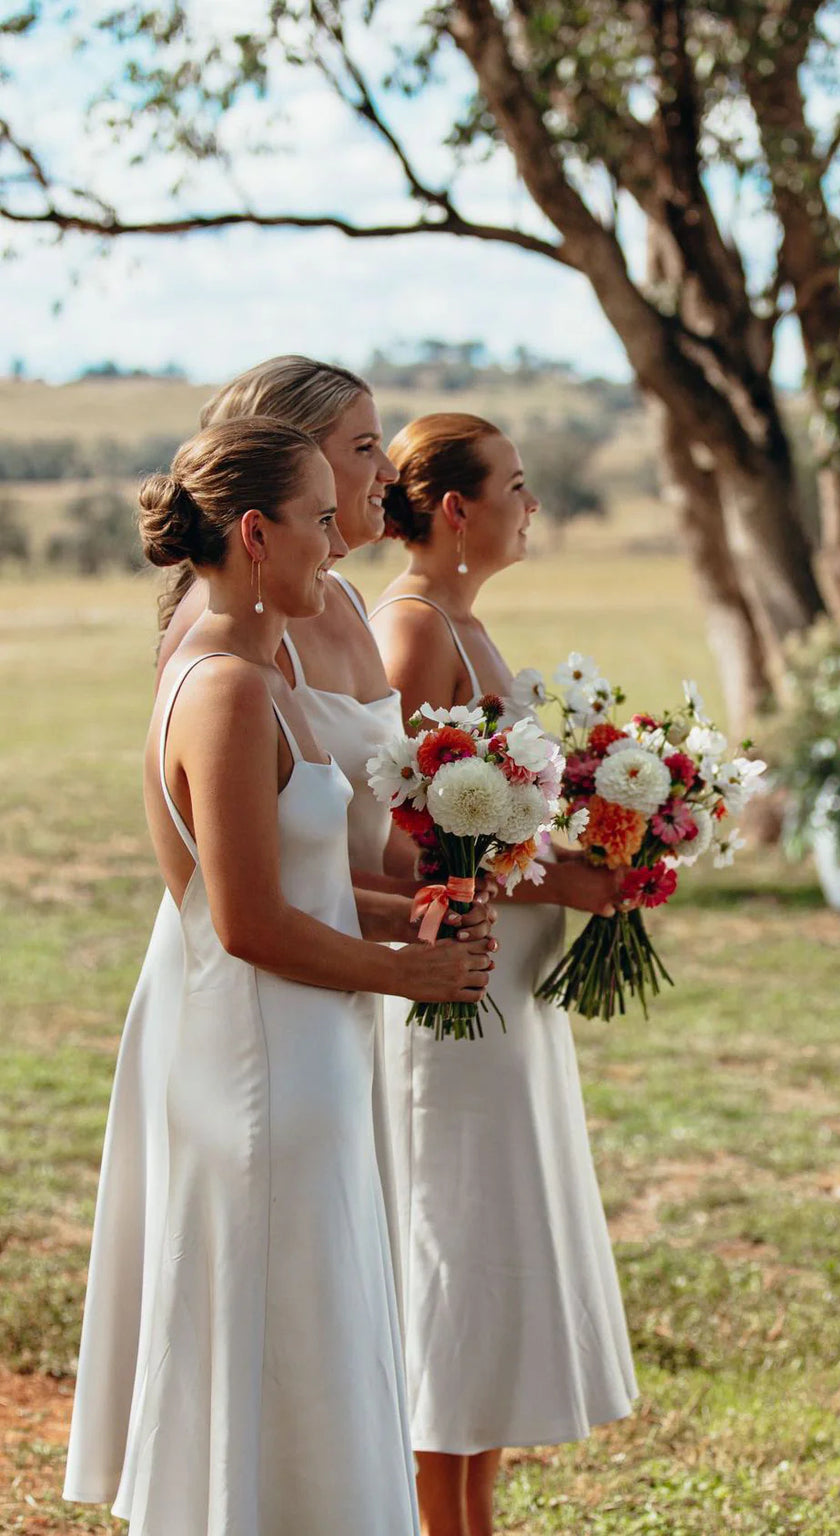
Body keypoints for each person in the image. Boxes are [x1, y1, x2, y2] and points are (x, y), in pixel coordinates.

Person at [63, 418, 493, 1535]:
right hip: (261, 1067)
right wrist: (411, 972)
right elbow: (247, 923)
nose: (336, 541)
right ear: (255, 533)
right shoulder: (226, 690)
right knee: (281, 1347)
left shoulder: (246, 674)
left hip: (303, 1054)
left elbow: (292, 886)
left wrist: (420, 910)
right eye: (315, 520)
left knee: (312, 1341)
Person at [369, 413, 638, 1536]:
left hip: (511, 985)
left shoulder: (470, 627)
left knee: (487, 1258)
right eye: (516, 488)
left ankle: (475, 1520)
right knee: (452, 1256)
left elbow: (496, 824)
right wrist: (552, 884)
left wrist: (606, 848)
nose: (533, 505)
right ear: (456, 509)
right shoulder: (412, 632)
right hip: (455, 992)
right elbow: (396, 844)